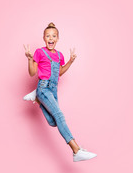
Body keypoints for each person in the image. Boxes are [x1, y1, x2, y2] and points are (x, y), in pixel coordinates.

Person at [24, 22, 97, 162]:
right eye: (48, 36)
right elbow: (32, 73)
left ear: (57, 38)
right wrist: (29, 59)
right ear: (44, 38)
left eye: (54, 36)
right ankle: (76, 150)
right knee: (59, 116)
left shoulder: (59, 55)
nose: (50, 38)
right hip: (44, 87)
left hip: (53, 89)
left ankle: (37, 98)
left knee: (53, 122)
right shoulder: (40, 52)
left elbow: (59, 73)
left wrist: (70, 61)